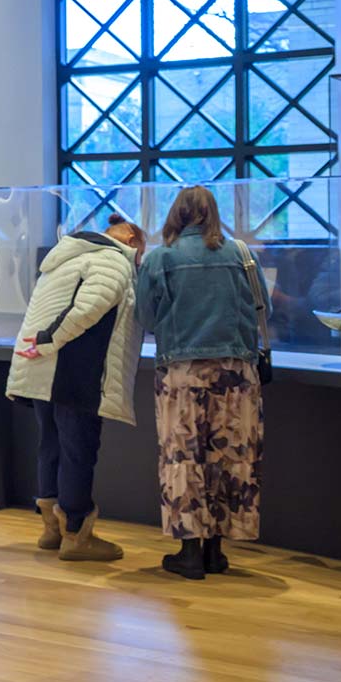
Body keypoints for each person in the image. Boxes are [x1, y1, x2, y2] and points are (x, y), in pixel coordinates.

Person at [137, 186, 268, 580]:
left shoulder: (160, 259)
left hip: (182, 372)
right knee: (229, 456)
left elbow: (145, 316)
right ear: (214, 215)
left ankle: (189, 551)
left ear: (176, 215)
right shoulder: (242, 255)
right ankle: (217, 550)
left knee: (183, 456)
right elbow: (266, 309)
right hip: (237, 373)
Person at [5, 215, 147, 560]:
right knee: (77, 453)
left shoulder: (69, 255)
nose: (142, 258)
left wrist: (41, 345)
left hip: (44, 370)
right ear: (129, 236)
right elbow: (87, 309)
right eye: (143, 249)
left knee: (51, 447)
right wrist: (47, 341)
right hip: (74, 372)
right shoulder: (112, 259)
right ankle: (76, 535)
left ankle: (51, 531)